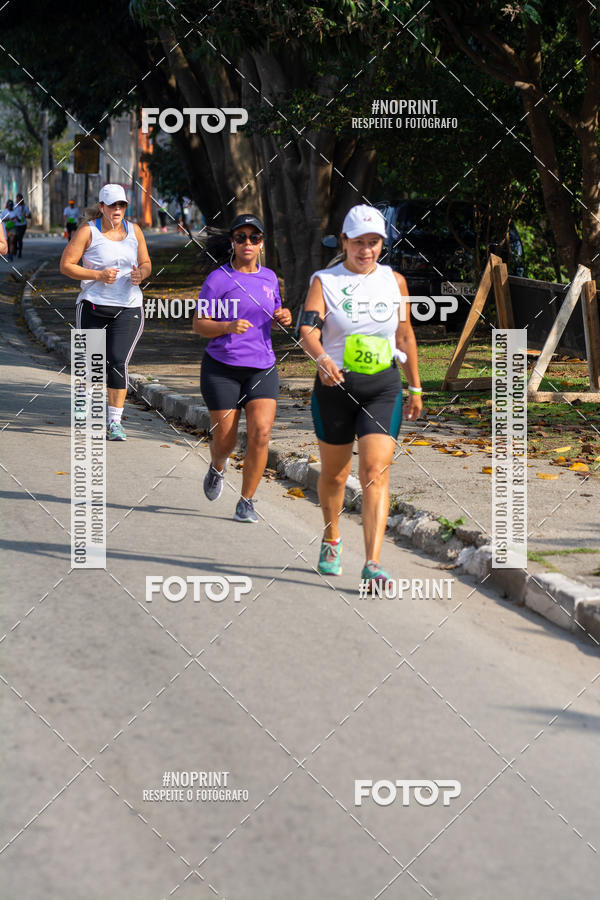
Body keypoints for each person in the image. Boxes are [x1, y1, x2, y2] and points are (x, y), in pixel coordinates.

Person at [299, 204, 423, 588]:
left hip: (382, 387)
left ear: (381, 244)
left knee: (374, 472)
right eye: (359, 242)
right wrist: (321, 359)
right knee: (335, 475)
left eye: (374, 242)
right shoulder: (325, 281)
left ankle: (372, 563)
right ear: (345, 241)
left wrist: (416, 385)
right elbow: (307, 330)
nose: (366, 250)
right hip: (335, 387)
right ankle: (332, 537)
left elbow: (404, 335)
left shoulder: (394, 281)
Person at [192, 213, 292, 522]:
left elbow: (272, 313)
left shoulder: (270, 278)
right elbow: (199, 324)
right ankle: (217, 466)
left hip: (261, 366)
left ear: (262, 244)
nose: (248, 243)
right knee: (226, 438)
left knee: (261, 434)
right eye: (241, 238)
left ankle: (247, 500)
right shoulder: (218, 279)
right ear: (233, 243)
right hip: (221, 367)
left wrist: (282, 317)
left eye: (254, 238)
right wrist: (227, 326)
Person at [59, 184, 151, 440]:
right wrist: (97, 275)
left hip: (128, 307)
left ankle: (115, 422)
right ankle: (83, 407)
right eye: (113, 205)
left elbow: (146, 263)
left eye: (122, 205)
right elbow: (66, 265)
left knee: (117, 362)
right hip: (93, 305)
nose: (118, 210)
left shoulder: (135, 231)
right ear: (101, 207)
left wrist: (140, 274)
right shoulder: (88, 232)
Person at [14, 193, 31, 258]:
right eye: (17, 199)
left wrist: (25, 215)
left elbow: (29, 216)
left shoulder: (25, 206)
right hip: (15, 224)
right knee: (15, 238)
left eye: (19, 199)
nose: (18, 201)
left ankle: (20, 252)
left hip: (23, 225)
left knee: (20, 238)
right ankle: (15, 249)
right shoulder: (14, 206)